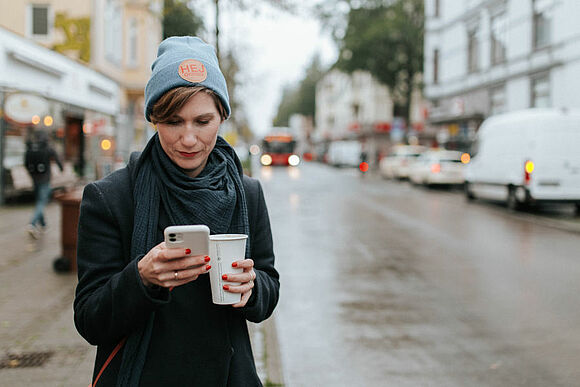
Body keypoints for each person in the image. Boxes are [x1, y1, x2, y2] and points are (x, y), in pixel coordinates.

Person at [73, 36, 279, 386]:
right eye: (172, 121)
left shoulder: (248, 193)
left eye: (202, 121)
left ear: (222, 117)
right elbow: (90, 320)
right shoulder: (110, 198)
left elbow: (269, 286)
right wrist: (140, 278)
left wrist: (252, 287)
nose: (187, 139)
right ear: (153, 118)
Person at [24, 129, 63, 238]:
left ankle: (43, 224)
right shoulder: (47, 147)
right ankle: (32, 223)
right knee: (42, 201)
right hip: (45, 178)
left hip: (35, 178)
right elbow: (57, 159)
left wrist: (32, 175)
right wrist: (61, 168)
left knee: (39, 201)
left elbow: (26, 163)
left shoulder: (31, 147)